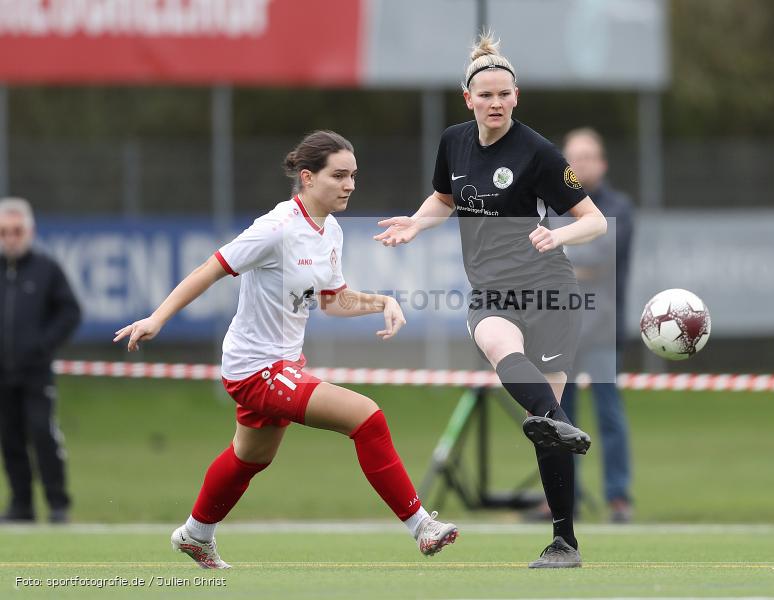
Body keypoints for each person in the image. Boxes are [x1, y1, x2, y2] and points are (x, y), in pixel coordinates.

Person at [114, 131, 458, 569]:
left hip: (283, 363)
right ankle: (421, 526)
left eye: (353, 175)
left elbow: (333, 300)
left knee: (251, 456)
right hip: (254, 367)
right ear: (308, 177)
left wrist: (382, 302)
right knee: (367, 418)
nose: (350, 184)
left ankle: (195, 534)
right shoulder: (275, 229)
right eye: (339, 175)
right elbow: (211, 268)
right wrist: (157, 318)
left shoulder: (329, 230)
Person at [375, 34, 607, 568]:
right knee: (495, 340)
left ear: (516, 97)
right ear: (469, 99)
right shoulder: (454, 142)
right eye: (486, 95)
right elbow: (443, 199)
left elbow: (592, 220)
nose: (496, 102)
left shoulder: (540, 152)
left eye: (505, 94)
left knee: (548, 431)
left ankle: (564, 543)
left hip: (549, 288)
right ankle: (554, 419)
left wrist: (558, 237)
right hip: (492, 291)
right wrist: (415, 224)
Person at [560, 128, 635, 523]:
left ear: (602, 163)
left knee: (609, 417)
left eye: (588, 156)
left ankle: (618, 498)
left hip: (604, 331)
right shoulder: (555, 206)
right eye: (574, 156)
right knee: (558, 421)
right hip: (560, 331)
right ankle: (561, 501)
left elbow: (600, 255)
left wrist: (555, 247)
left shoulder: (619, 207)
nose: (581, 163)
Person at [0, 197, 81, 524]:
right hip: (2, 375)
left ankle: (57, 503)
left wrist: (43, 345)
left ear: (29, 231)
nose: (10, 238)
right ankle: (21, 505)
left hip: (35, 373)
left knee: (42, 433)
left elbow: (70, 312)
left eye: (17, 231)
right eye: (4, 232)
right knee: (10, 438)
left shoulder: (47, 270)